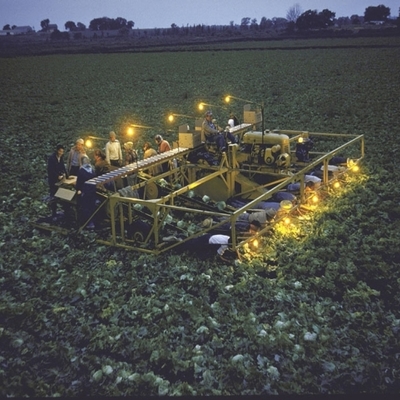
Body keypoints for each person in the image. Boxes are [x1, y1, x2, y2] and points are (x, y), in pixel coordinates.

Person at [47, 144, 68, 220]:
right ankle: (54, 213)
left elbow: (62, 166)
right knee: (53, 196)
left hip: (60, 179)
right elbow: (50, 170)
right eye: (60, 151)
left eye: (62, 152)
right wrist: (57, 176)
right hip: (53, 179)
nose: (61, 153)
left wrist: (66, 175)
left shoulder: (61, 157)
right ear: (57, 151)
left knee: (62, 193)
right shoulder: (52, 159)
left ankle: (65, 211)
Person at [76, 156, 97, 229]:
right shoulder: (92, 169)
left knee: (86, 207)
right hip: (92, 190)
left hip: (86, 191)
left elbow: (79, 182)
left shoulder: (82, 171)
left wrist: (78, 189)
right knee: (91, 206)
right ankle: (92, 221)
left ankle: (89, 222)